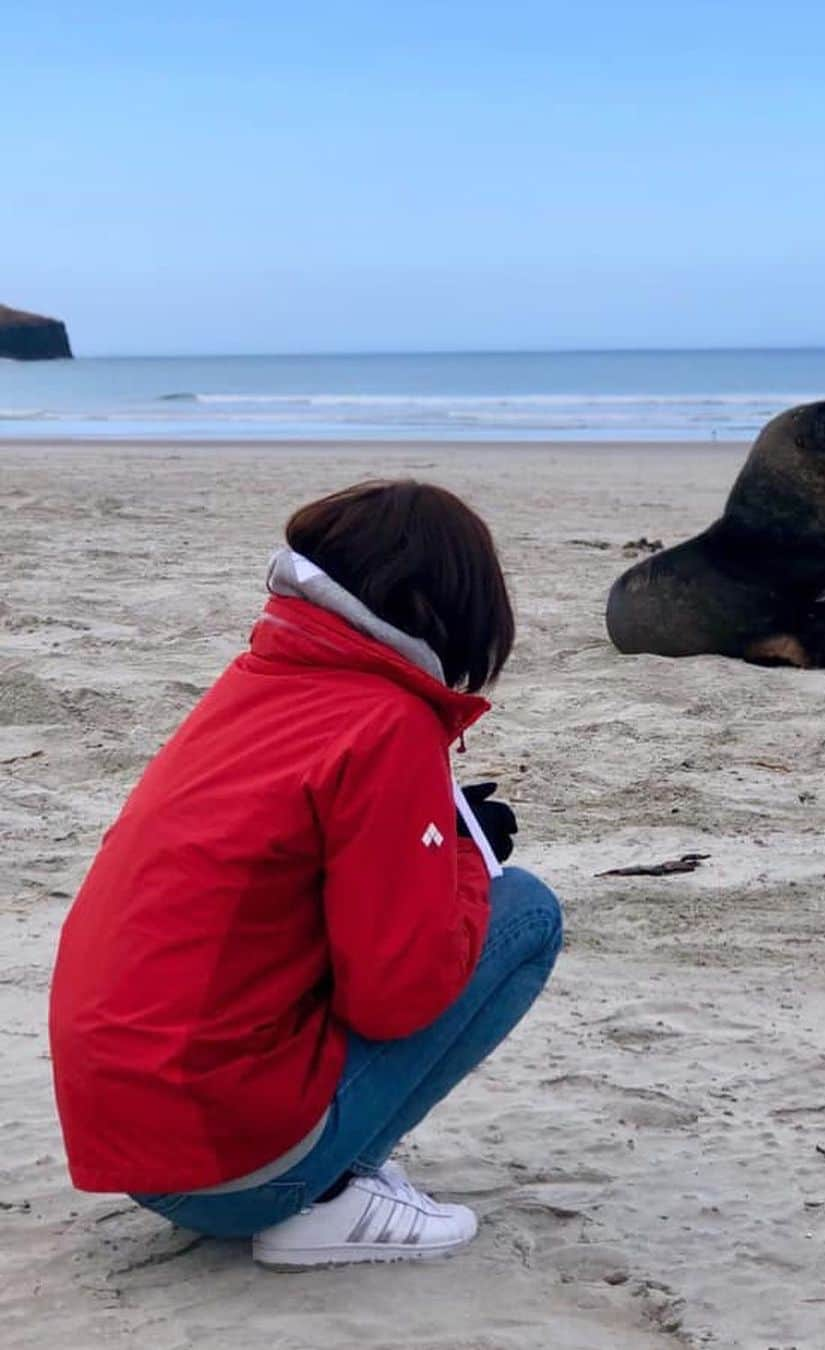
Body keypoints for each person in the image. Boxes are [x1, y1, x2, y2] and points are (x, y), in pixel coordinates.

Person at [48, 480, 562, 1270]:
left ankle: (313, 1170)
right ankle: (324, 1195)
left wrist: (438, 836)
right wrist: (461, 855)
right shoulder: (385, 721)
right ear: (442, 610)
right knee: (524, 911)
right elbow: (398, 994)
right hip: (236, 1172)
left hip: (133, 1142)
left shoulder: (259, 680)